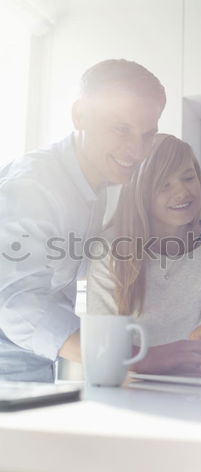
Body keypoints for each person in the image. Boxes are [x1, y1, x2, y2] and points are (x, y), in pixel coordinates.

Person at [0, 59, 166, 382]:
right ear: (79, 115)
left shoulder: (105, 184)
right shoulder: (34, 186)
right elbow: (17, 304)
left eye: (147, 135)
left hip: (34, 360)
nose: (137, 150)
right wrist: (127, 358)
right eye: (122, 129)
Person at [87, 134, 201, 376]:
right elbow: (101, 342)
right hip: (127, 383)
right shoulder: (110, 247)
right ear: (140, 192)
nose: (182, 192)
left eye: (188, 177)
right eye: (164, 184)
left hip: (192, 381)